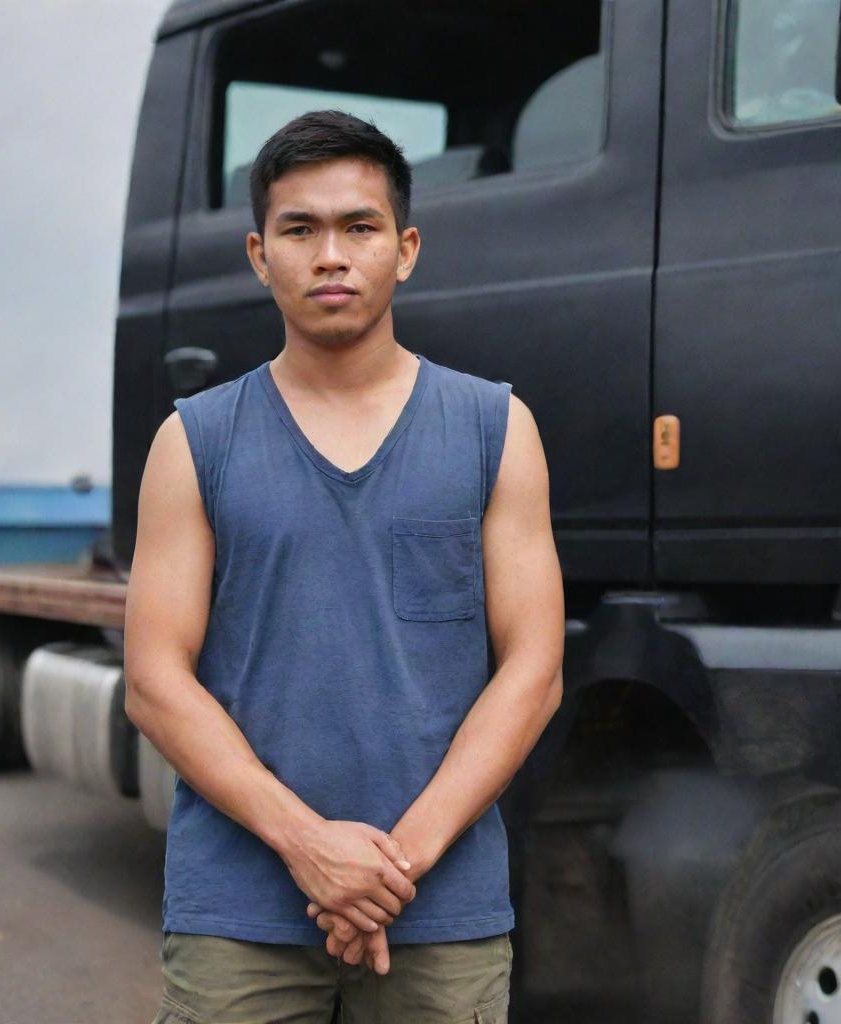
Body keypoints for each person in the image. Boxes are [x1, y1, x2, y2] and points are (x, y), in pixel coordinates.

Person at [123, 110, 565, 1024]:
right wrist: (310, 846)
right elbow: (155, 682)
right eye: (300, 229)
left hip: (439, 911)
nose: (331, 255)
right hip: (238, 913)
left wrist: (392, 863)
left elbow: (534, 670)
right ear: (259, 254)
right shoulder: (194, 442)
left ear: (404, 249)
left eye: (358, 227)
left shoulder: (493, 430)